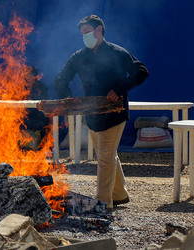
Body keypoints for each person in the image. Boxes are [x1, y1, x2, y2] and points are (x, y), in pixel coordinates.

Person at [54, 15, 149, 210]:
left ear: (99, 30)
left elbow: (141, 71)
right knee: (107, 155)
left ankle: (103, 203)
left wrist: (120, 89)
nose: (85, 36)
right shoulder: (79, 56)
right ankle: (119, 194)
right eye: (82, 34)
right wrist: (67, 96)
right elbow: (61, 78)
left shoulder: (117, 52)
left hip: (115, 113)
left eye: (87, 32)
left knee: (105, 158)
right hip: (92, 114)